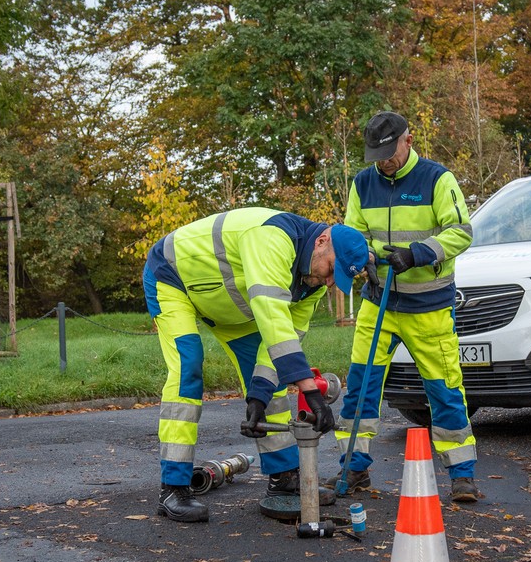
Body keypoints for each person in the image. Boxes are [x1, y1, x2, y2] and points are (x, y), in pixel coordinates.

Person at [143, 207, 369, 522]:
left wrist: (259, 394)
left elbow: (284, 341)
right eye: (331, 269)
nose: (329, 282)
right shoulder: (272, 237)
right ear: (321, 241)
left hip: (230, 308)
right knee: (187, 368)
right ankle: (173, 487)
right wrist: (310, 391)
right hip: (172, 279)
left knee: (273, 379)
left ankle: (284, 479)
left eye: (336, 278)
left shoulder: (312, 284)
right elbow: (273, 319)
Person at [330, 111, 479, 503]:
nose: (383, 160)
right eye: (376, 153)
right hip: (378, 301)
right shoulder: (362, 184)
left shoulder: (437, 179)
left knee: (443, 388)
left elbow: (461, 232)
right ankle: (353, 467)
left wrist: (417, 254)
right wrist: (369, 259)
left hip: (428, 306)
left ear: (408, 141)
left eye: (389, 152)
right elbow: (353, 233)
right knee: (361, 386)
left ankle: (461, 474)